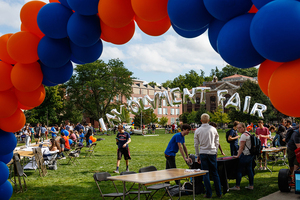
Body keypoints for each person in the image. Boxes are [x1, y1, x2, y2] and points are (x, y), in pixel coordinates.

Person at [194, 113, 222, 198]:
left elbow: (196, 144)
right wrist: (216, 151)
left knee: (205, 173)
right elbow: (217, 142)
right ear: (209, 120)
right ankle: (218, 193)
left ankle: (209, 193)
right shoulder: (213, 129)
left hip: (203, 152)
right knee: (215, 173)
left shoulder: (198, 130)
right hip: (212, 152)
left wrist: (197, 155)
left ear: (201, 120)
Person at [230, 122, 254, 191]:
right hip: (250, 155)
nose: (239, 129)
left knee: (239, 170)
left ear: (244, 128)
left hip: (245, 155)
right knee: (249, 170)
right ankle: (251, 185)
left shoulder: (244, 135)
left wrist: (238, 155)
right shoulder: (248, 134)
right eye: (238, 128)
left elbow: (241, 147)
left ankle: (237, 186)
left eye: (240, 128)